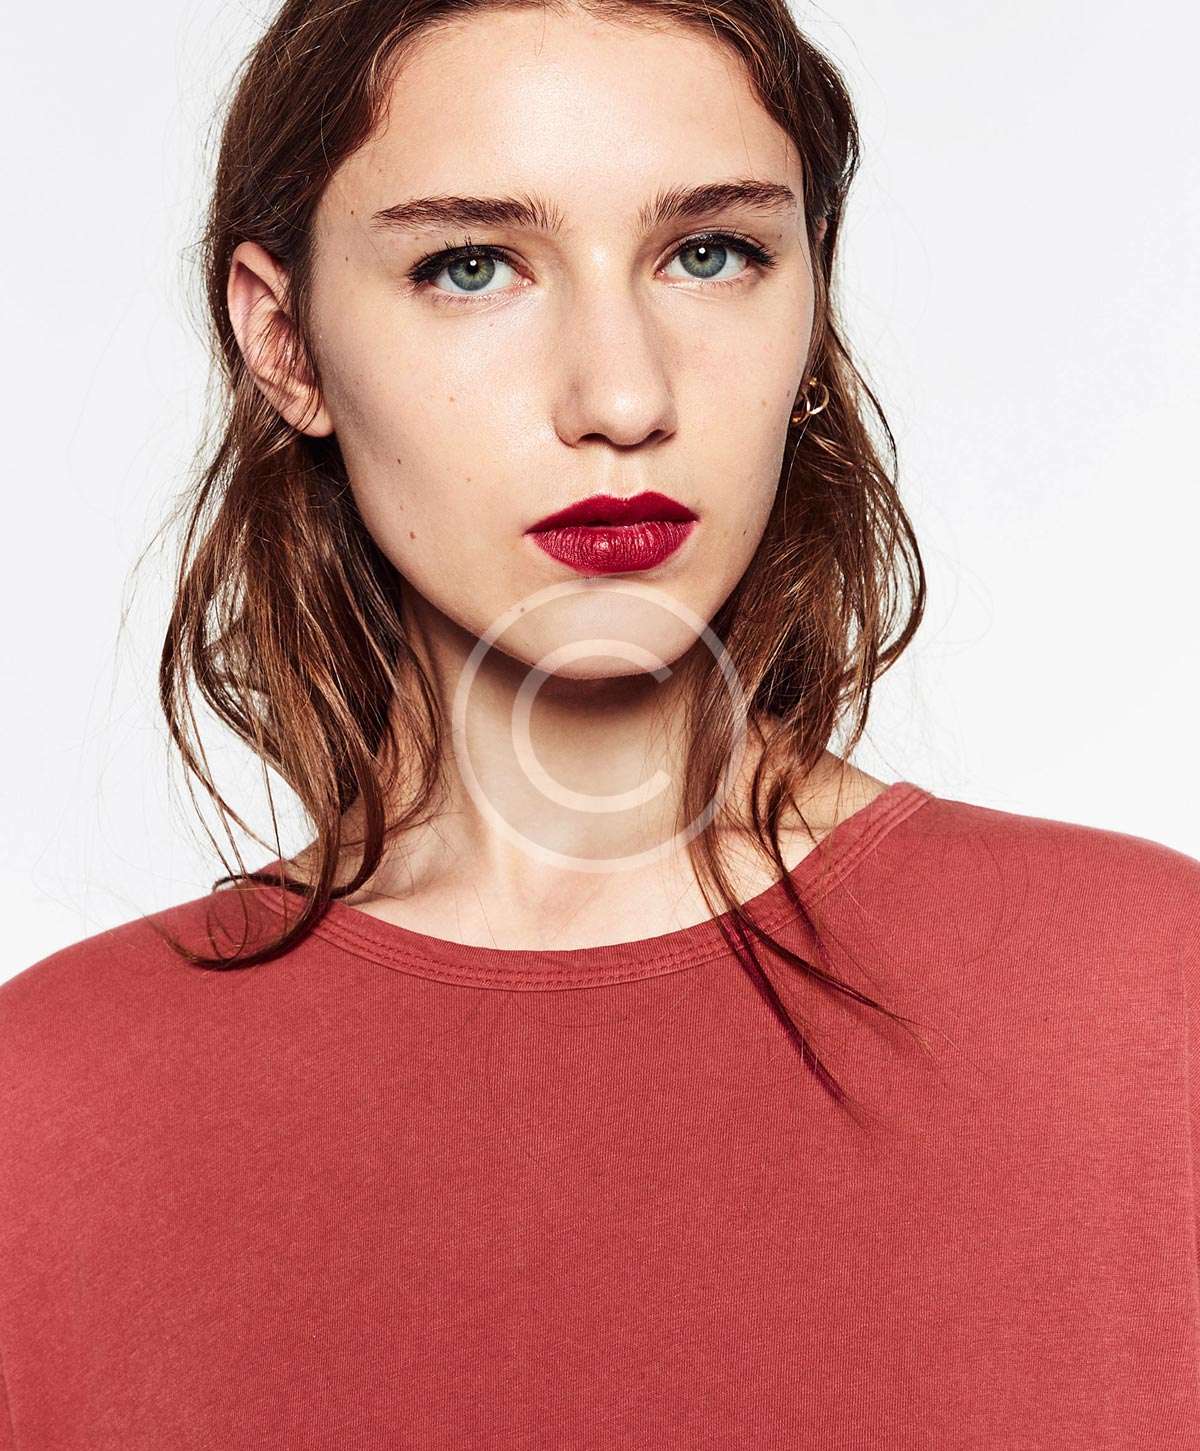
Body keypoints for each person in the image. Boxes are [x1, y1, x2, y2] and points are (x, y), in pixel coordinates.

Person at [2, 0, 1198, 1445]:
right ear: (284, 340)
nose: (623, 397)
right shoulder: (49, 1110)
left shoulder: (1147, 999)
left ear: (811, 296)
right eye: (470, 266)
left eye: (712, 253)